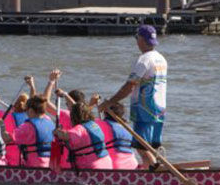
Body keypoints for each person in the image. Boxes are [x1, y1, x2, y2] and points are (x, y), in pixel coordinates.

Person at [100, 24, 167, 163]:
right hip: (159, 110)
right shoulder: (161, 59)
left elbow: (130, 86)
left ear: (141, 39)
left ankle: (153, 176)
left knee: (141, 147)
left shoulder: (144, 60)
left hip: (144, 110)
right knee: (152, 146)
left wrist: (109, 102)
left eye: (137, 38)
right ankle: (156, 172)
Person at [54, 96, 113, 170]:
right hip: (108, 165)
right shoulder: (95, 125)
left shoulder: (79, 129)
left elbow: (64, 135)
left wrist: (57, 131)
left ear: (73, 116)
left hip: (92, 168)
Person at [0, 95, 54, 168]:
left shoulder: (28, 126)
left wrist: (2, 126)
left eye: (26, 111)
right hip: (50, 163)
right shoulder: (50, 121)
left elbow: (6, 139)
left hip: (34, 166)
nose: (26, 114)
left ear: (31, 110)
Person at [99, 102, 138, 170]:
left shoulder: (100, 124)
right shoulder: (128, 128)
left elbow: (83, 122)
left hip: (116, 166)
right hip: (133, 164)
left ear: (105, 113)